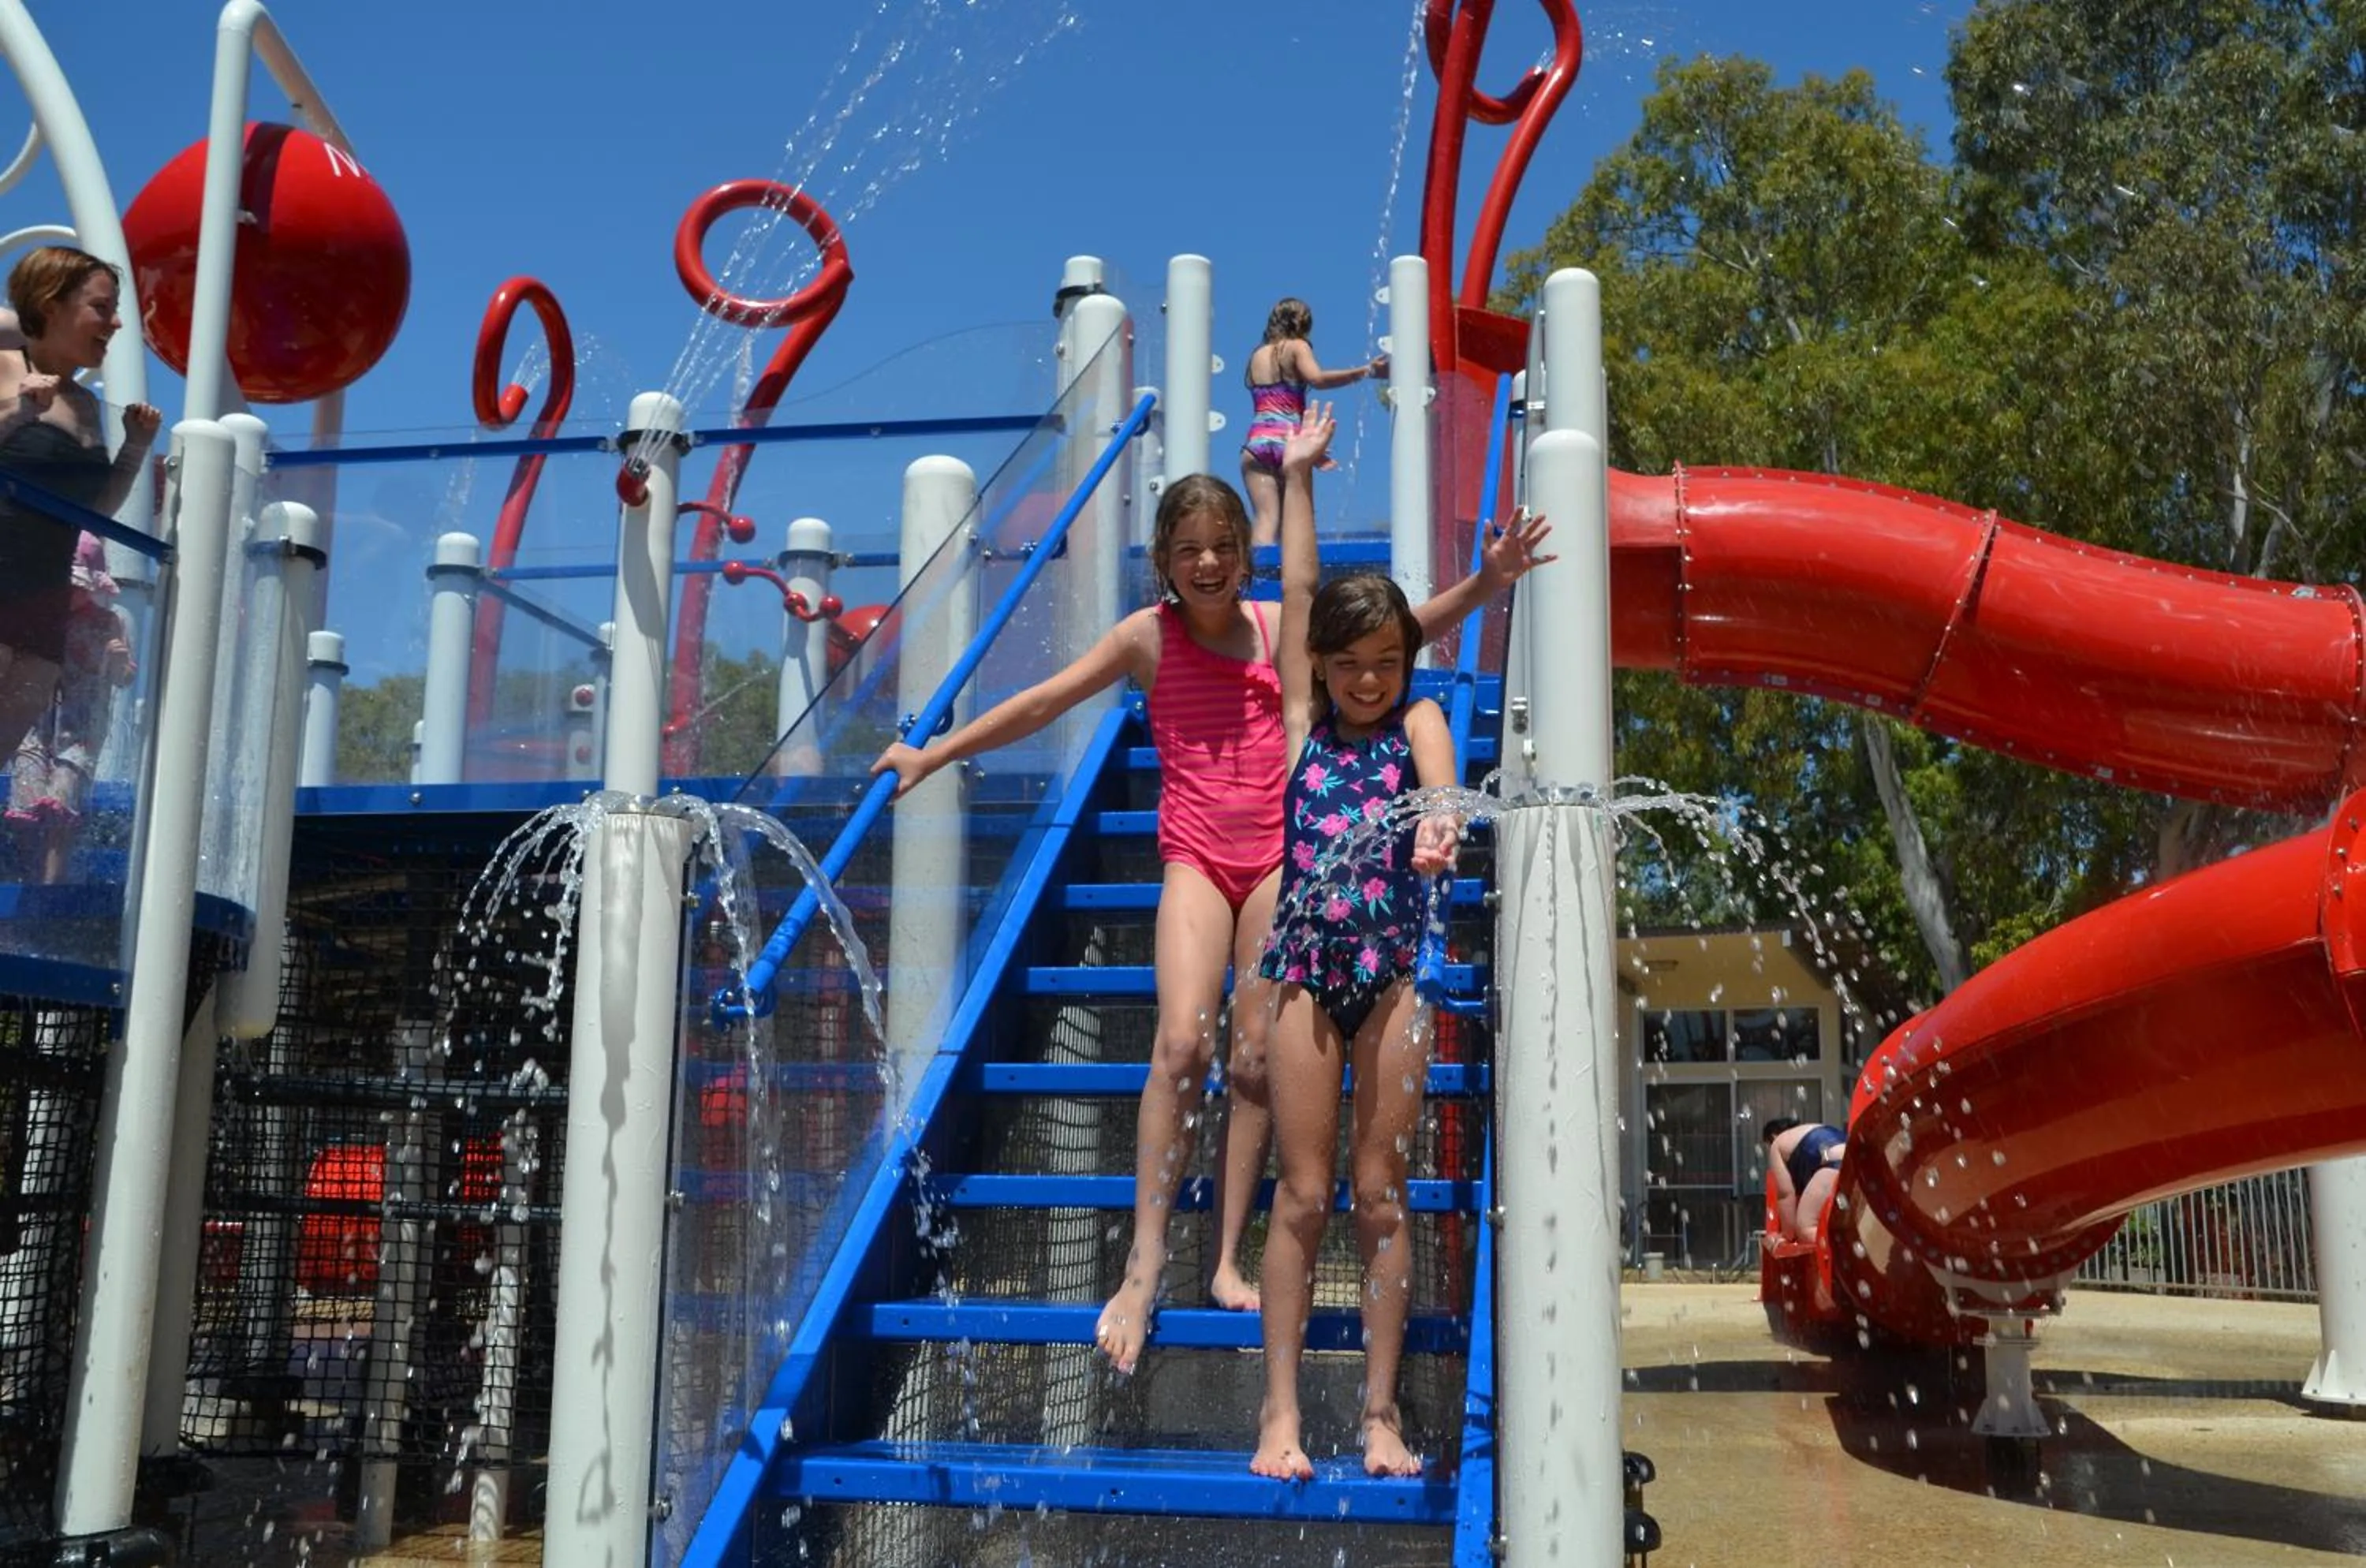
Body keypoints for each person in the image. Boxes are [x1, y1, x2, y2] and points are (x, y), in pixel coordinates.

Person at [872, 465, 1551, 1377]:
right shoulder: (1146, 640)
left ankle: (1227, 1254)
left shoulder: (1278, 632)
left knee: (1253, 1054)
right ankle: (1145, 1261)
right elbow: (1045, 699)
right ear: (1163, 560)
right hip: (1195, 857)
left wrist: (1487, 583)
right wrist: (936, 752)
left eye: (1224, 547)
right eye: (1189, 548)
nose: (1207, 561)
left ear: (1245, 556)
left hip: (1277, 855)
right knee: (1183, 1045)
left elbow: (1383, 639)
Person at [1250, 402, 1469, 1483]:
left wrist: (1437, 827)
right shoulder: (1302, 728)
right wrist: (1295, 479)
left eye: (1387, 660)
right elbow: (1292, 595)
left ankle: (1379, 1413)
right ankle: (1279, 1416)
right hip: (1300, 979)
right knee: (1301, 1196)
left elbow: (1442, 793)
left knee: (1380, 1196)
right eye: (1351, 665)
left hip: (1388, 983)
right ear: (1324, 665)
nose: (1370, 681)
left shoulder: (1421, 720)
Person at [0, 249, 160, 813]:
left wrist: (136, 448)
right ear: (51, 306)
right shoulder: (2, 367)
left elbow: (95, 510)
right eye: (102, 308)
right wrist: (17, 415)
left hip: (43, 613)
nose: (116, 323)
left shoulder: (87, 406)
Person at [8, 531, 135, 881]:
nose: (72, 593)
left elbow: (124, 678)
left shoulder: (109, 624)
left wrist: (119, 661)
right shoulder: (44, 616)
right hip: (35, 726)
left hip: (79, 734)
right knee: (27, 802)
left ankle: (52, 881)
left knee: (61, 806)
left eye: (79, 587)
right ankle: (30, 875)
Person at [1238, 297, 1385, 547]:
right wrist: (1366, 371)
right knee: (1293, 525)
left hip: (1257, 444)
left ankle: (1256, 580)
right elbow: (1317, 379)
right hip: (1289, 444)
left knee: (1265, 520)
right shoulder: (1297, 347)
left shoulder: (1257, 355)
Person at [1763, 1118, 1847, 1245]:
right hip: (1852, 1159)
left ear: (1773, 1137)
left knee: (1806, 1229)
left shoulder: (1777, 1145)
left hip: (1832, 1164)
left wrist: (1788, 1234)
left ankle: (1842, 1250)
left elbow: (1785, 1194)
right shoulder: (1807, 1130)